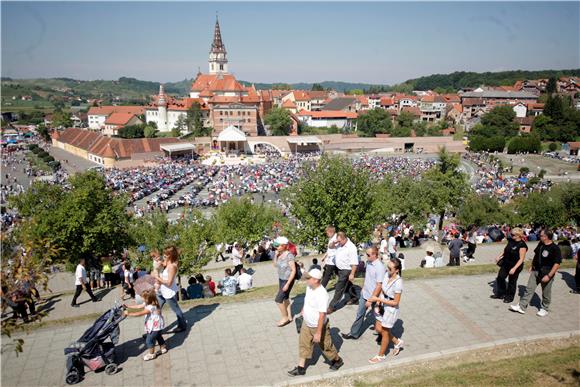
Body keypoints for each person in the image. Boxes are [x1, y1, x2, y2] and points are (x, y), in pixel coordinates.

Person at [287, 269, 344, 377]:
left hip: (319, 326)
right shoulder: (309, 287)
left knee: (326, 347)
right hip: (306, 323)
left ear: (316, 280)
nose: (306, 280)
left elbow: (322, 315)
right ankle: (301, 368)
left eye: (309, 278)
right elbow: (307, 300)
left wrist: (318, 333)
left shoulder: (322, 294)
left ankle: (337, 360)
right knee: (304, 344)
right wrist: (303, 310)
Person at [510, 229, 562, 317]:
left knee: (546, 292)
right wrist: (532, 265)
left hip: (547, 273)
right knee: (529, 289)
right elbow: (536, 255)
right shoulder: (541, 244)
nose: (539, 236)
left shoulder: (555, 248)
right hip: (536, 271)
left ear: (546, 237)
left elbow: (557, 264)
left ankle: (544, 308)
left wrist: (549, 276)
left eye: (541, 235)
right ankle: (522, 307)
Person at [341, 246, 385, 340]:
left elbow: (379, 286)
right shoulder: (369, 263)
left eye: (368, 255)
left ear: (374, 255)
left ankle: (383, 334)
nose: (366, 256)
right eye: (366, 254)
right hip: (365, 294)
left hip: (375, 297)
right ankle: (354, 333)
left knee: (378, 316)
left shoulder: (380, 267)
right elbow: (367, 277)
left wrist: (370, 299)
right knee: (359, 314)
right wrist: (363, 288)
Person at [368, 257, 404, 363]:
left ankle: (381, 355)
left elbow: (395, 302)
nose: (387, 270)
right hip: (382, 305)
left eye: (390, 269)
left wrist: (377, 299)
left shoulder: (398, 283)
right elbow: (383, 291)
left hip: (390, 309)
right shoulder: (386, 275)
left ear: (397, 270)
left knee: (384, 332)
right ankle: (397, 342)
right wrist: (378, 303)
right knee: (378, 328)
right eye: (387, 268)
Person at [124, 289, 167, 361]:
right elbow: (139, 306)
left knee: (149, 340)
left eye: (143, 298)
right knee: (158, 336)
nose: (142, 299)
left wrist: (129, 314)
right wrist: (128, 306)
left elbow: (140, 313)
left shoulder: (150, 307)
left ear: (147, 299)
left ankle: (152, 354)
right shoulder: (151, 303)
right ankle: (163, 347)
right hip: (158, 325)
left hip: (154, 327)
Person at [152, 246, 187, 332]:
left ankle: (182, 326)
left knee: (176, 310)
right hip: (161, 291)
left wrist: (156, 277)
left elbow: (169, 283)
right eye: (163, 253)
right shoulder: (168, 261)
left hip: (168, 293)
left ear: (170, 255)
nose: (163, 255)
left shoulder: (172, 266)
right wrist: (156, 262)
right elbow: (161, 264)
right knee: (155, 309)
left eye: (166, 254)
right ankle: (154, 329)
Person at [491, 227, 527, 303]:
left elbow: (521, 259)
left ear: (518, 235)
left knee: (512, 282)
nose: (511, 235)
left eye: (513, 234)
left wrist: (514, 268)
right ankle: (501, 293)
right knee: (500, 277)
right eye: (511, 234)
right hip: (506, 263)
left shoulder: (522, 245)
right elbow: (506, 250)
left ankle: (509, 297)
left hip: (515, 265)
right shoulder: (511, 240)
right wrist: (499, 256)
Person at [328, 232, 358, 314]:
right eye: (338, 241)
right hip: (339, 269)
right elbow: (330, 247)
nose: (338, 243)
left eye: (340, 241)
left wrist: (352, 274)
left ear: (344, 238)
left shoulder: (351, 247)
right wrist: (334, 242)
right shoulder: (339, 243)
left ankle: (331, 306)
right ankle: (354, 298)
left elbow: (354, 263)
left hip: (346, 270)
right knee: (347, 285)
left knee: (339, 288)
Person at [273, 236, 297, 327]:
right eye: (276, 245)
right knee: (285, 298)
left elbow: (293, 270)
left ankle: (285, 317)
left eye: (278, 245)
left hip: (287, 280)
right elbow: (275, 265)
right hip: (281, 279)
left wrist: (287, 284)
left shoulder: (289, 255)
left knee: (278, 300)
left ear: (284, 246)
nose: (276, 247)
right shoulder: (279, 254)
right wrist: (276, 255)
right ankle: (290, 316)